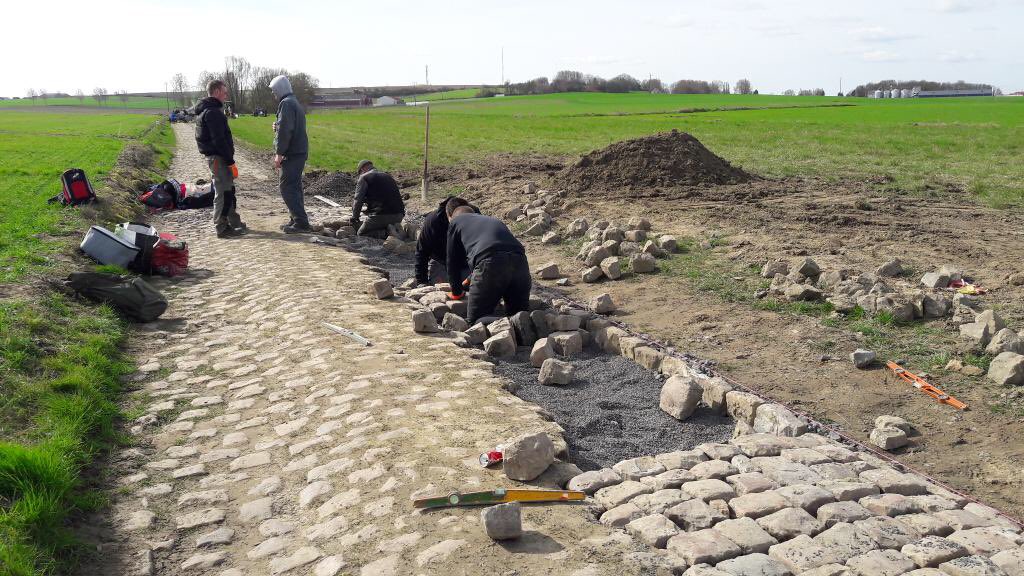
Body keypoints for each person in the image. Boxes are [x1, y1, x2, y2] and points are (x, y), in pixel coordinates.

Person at [446, 206, 531, 325]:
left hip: (491, 262)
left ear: (451, 218)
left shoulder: (455, 222)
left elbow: (452, 261)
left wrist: (456, 291)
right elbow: (499, 249)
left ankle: (510, 322)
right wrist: (470, 279)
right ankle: (526, 320)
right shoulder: (492, 220)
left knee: (475, 321)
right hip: (520, 262)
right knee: (518, 313)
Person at [192, 80, 246, 238]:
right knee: (222, 192)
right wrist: (230, 160)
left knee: (228, 190)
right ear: (215, 92)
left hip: (218, 157)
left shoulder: (209, 110)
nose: (226, 94)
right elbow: (219, 140)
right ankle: (221, 227)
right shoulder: (213, 112)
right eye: (224, 91)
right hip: (218, 158)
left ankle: (233, 221)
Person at [269, 75, 311, 234]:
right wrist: (277, 127)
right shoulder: (293, 102)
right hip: (299, 151)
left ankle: (300, 222)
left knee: (286, 187)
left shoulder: (286, 104)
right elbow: (286, 126)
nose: (274, 95)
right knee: (294, 186)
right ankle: (296, 218)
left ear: (280, 89)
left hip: (292, 154)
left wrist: (279, 154)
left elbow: (286, 131)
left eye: (274, 91)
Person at [414, 196, 478, 285]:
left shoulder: (475, 215)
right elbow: (421, 251)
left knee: (472, 286)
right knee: (441, 288)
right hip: (442, 261)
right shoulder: (433, 222)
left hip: (467, 262)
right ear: (449, 216)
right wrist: (422, 281)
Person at [350, 160, 405, 238]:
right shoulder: (387, 176)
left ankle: (386, 233)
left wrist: (355, 218)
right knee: (381, 223)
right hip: (399, 215)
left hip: (380, 215)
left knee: (361, 233)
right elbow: (385, 196)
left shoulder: (364, 177)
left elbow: (358, 200)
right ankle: (396, 229)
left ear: (362, 169)